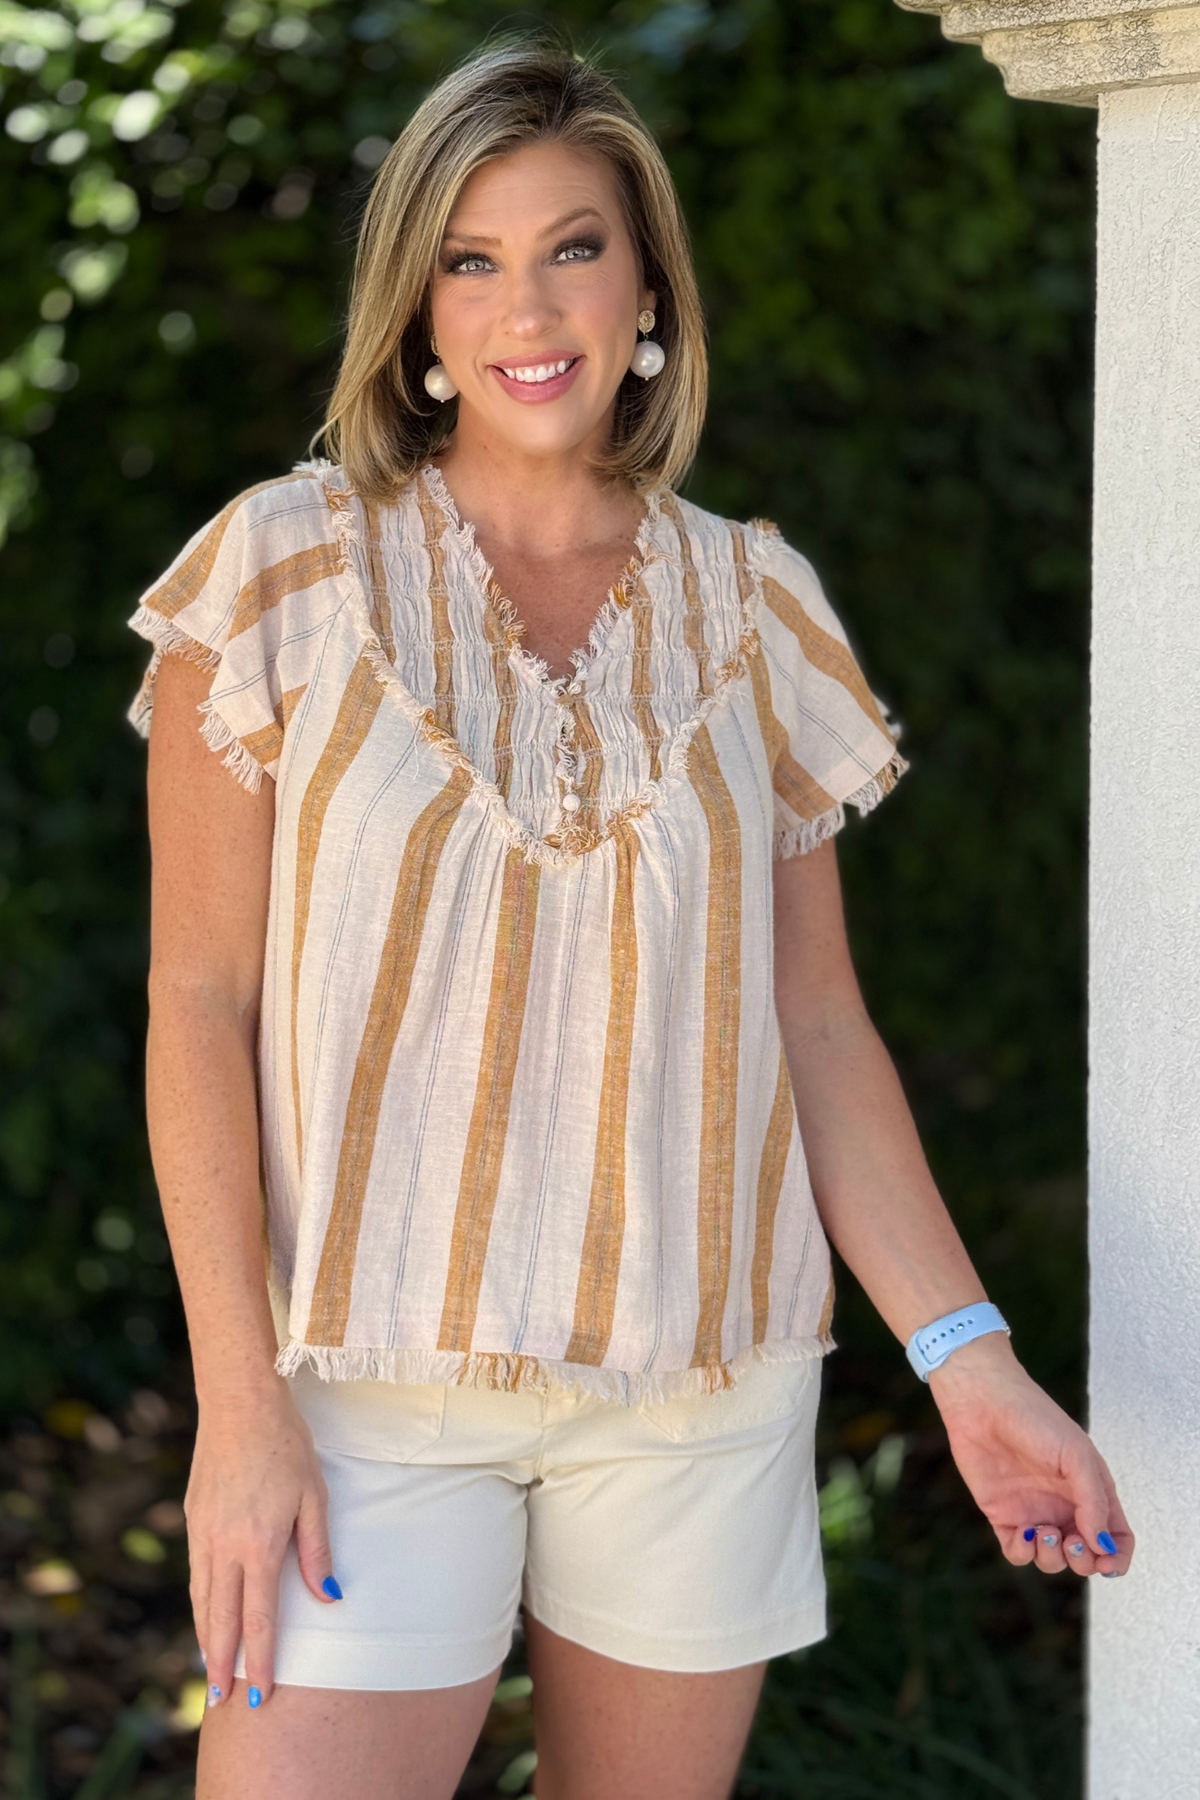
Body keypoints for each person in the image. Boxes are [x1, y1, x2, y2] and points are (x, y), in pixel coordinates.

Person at [128, 37, 1132, 1800]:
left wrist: (974, 1366)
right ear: (417, 306)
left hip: (700, 1399)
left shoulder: (759, 605)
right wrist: (236, 1406)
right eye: (474, 255)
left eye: (576, 246)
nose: (531, 304)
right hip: (360, 1391)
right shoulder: (280, 572)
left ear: (649, 286)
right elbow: (196, 1003)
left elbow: (816, 1027)